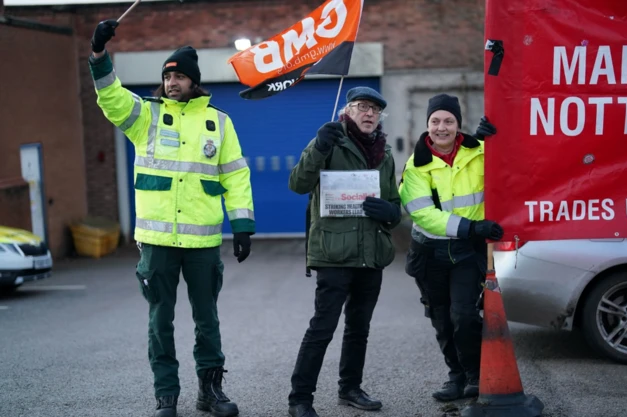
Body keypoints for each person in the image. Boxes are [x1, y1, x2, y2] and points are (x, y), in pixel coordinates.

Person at [88, 20, 255, 417]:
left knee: (207, 322)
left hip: (201, 244)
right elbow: (110, 96)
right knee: (160, 322)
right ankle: (167, 395)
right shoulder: (145, 116)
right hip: (158, 241)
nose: (172, 81)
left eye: (179, 75)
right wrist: (98, 55)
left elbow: (235, 175)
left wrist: (243, 225)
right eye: (167, 75)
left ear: (194, 82)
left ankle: (210, 393)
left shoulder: (219, 121)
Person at [287, 87, 402, 417]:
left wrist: (391, 213)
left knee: (359, 328)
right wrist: (320, 145)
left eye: (375, 110)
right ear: (347, 111)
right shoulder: (328, 141)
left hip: (372, 254)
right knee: (322, 327)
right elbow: (298, 183)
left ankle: (350, 389)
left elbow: (394, 204)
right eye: (362, 107)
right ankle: (300, 399)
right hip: (334, 254)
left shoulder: (385, 154)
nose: (369, 114)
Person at [399, 93, 503, 402]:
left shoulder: (480, 152)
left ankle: (474, 374)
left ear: (458, 125)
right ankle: (455, 376)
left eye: (448, 121)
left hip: (465, 253)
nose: (441, 128)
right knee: (441, 319)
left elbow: (510, 168)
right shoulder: (415, 166)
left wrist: (495, 140)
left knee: (465, 316)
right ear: (426, 124)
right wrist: (472, 226)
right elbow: (422, 214)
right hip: (429, 253)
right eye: (435, 121)